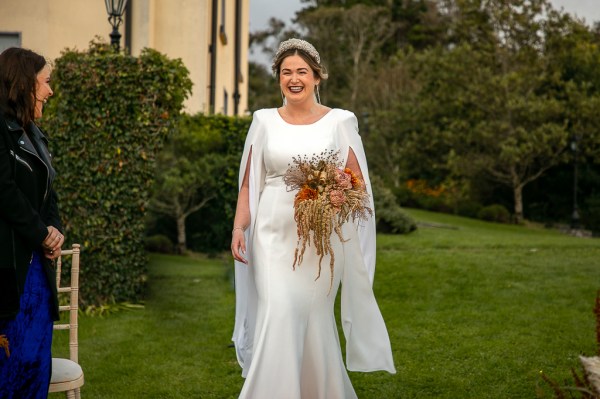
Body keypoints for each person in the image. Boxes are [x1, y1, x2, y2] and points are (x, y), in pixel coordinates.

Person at [231, 38, 395, 399]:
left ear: (317, 77)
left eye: (302, 72)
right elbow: (248, 183)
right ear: (278, 78)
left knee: (315, 322)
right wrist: (239, 227)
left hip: (322, 241)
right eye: (286, 72)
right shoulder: (262, 121)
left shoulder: (340, 121)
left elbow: (356, 183)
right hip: (271, 238)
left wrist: (334, 197)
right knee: (279, 311)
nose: (294, 78)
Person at [0, 47, 64, 398]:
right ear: (25, 84)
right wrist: (42, 234)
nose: (50, 91)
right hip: (9, 269)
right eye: (46, 82)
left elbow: (48, 194)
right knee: (9, 367)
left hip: (38, 272)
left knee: (35, 366)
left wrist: (54, 231)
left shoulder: (35, 134)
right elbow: (4, 192)